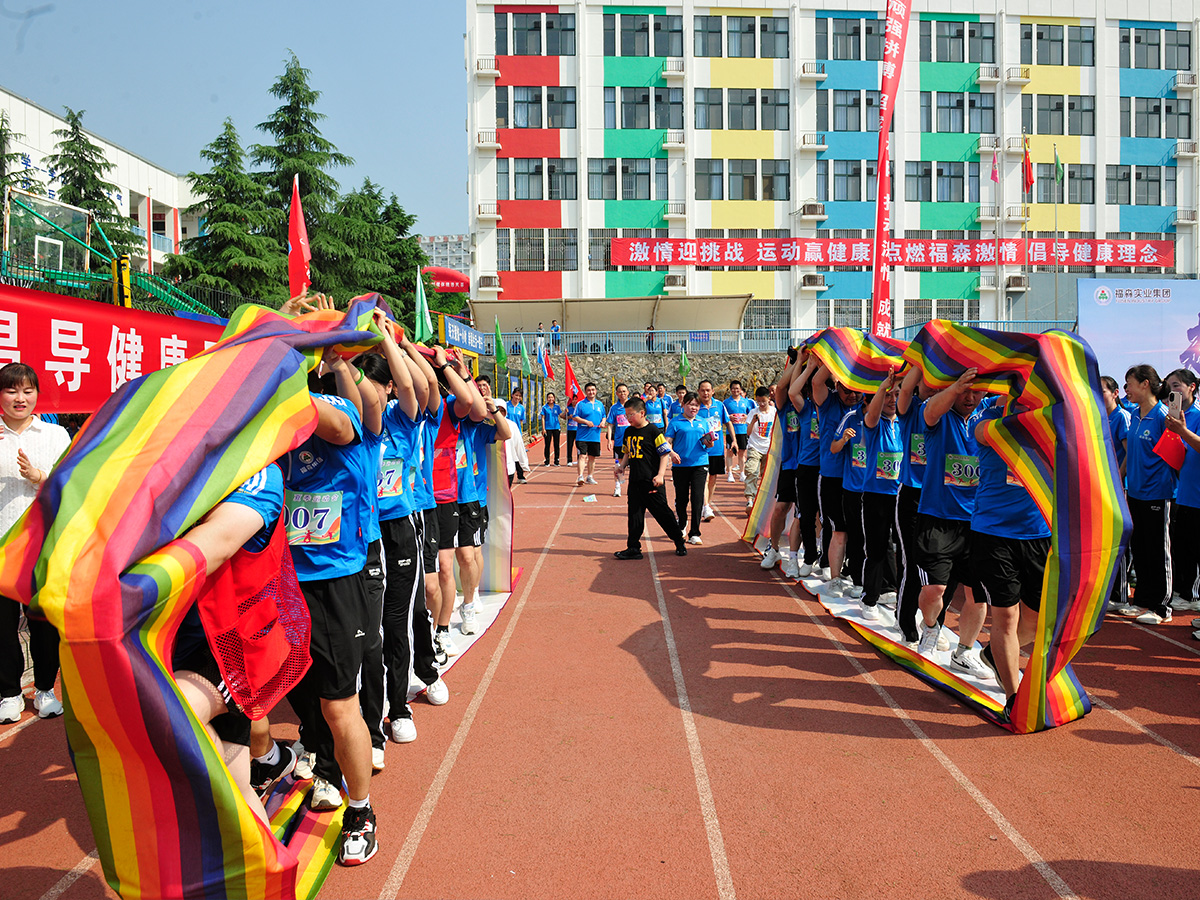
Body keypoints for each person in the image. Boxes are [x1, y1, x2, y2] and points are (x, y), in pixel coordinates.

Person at [282, 345, 380, 865]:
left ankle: (361, 813)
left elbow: (336, 425)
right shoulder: (270, 439)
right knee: (290, 694)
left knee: (338, 703)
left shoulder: (336, 412)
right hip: (281, 583)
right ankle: (319, 762)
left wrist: (303, 365)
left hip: (336, 583)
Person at [173, 464, 288, 827]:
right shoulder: (169, 467)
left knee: (172, 711)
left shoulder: (256, 473)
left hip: (232, 649)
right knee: (239, 789)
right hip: (179, 645)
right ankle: (268, 873)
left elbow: (216, 544)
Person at [361, 321, 449, 749]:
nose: (371, 394)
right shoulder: (350, 425)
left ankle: (398, 707)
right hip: (361, 532)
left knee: (397, 624)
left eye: (379, 385)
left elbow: (417, 387)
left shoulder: (402, 419)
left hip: (400, 527)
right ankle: (368, 709)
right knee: (368, 630)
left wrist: (387, 340)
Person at [970, 399, 1053, 721]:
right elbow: (982, 432)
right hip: (993, 532)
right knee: (1006, 616)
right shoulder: (988, 413)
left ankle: (993, 654)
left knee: (1035, 619)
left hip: (1037, 533)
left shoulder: (1046, 414)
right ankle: (1013, 697)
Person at [0, 363, 71, 724]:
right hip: (1, 546)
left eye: (27, 391)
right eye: (12, 391)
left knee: (42, 623)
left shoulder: (55, 434)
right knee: (1, 625)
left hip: (41, 545)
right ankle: (9, 694)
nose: (20, 398)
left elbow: (71, 484)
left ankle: (44, 689)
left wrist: (38, 476)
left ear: (37, 396)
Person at [913, 368, 992, 679]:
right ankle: (930, 627)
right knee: (936, 589)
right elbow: (930, 411)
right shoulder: (938, 415)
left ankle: (964, 652)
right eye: (965, 391)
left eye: (978, 391)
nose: (971, 397)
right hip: (938, 517)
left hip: (978, 523)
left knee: (978, 594)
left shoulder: (988, 422)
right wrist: (956, 386)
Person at [428, 348, 489, 654]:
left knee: (455, 562)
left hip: (455, 496)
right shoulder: (409, 411)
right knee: (433, 573)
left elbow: (475, 408)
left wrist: (460, 371)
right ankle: (432, 621)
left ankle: (464, 606)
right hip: (419, 500)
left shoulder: (454, 408)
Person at [1118, 364, 1175, 625]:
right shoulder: (1136, 415)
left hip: (1158, 493)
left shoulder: (1164, 416)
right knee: (1140, 547)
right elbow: (1132, 452)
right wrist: (1120, 475)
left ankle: (1161, 607)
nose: (1126, 389)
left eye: (1130, 383)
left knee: (1157, 549)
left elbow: (1176, 454)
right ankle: (1142, 599)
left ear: (1145, 384)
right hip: (1137, 492)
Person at [811, 363, 864, 593]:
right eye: (846, 390)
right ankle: (834, 576)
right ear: (837, 388)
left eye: (857, 391)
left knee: (856, 531)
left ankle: (855, 573)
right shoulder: (828, 400)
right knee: (837, 529)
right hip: (832, 476)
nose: (852, 396)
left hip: (858, 480)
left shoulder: (867, 407)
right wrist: (832, 357)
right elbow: (816, 382)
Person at [614, 397, 688, 560]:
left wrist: (661, 474)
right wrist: (622, 466)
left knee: (663, 514)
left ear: (642, 413)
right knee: (634, 515)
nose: (628, 418)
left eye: (630, 415)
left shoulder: (654, 431)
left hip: (652, 481)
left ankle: (678, 540)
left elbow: (664, 454)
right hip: (635, 481)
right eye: (626, 415)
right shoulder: (628, 431)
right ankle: (633, 547)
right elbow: (627, 452)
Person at [857, 370, 904, 619]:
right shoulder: (874, 423)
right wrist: (884, 386)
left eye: (896, 394)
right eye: (887, 396)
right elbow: (873, 413)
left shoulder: (906, 422)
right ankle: (869, 599)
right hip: (876, 494)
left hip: (902, 496)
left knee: (902, 550)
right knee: (875, 549)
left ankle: (897, 593)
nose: (892, 399)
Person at [1165, 369, 1200, 612]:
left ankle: (1192, 595)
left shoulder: (1197, 416)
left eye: (1177, 385)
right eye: (1169, 387)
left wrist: (1182, 431)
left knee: (1196, 549)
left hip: (1198, 495)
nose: (1172, 391)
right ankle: (1185, 592)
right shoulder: (1175, 416)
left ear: (1192, 387)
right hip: (1184, 492)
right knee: (1183, 546)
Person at [666, 391, 709, 544]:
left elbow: (707, 442)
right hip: (681, 465)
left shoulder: (703, 422)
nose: (693, 408)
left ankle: (695, 532)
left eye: (696, 405)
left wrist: (709, 442)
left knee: (697, 499)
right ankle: (682, 524)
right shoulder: (675, 422)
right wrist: (671, 453)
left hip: (700, 464)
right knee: (682, 498)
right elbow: (667, 441)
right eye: (690, 404)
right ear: (683, 404)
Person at [696, 380, 736, 521]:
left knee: (713, 478)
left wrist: (734, 440)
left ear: (713, 391)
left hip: (717, 450)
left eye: (708, 390)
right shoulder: (695, 406)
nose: (705, 393)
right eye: (703, 390)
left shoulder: (719, 405)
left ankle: (706, 504)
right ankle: (706, 506)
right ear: (698, 391)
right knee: (704, 479)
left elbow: (728, 423)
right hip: (701, 450)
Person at [743, 386, 775, 512]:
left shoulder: (774, 412)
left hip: (769, 448)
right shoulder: (753, 412)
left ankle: (764, 502)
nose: (761, 404)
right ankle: (750, 500)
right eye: (759, 401)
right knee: (752, 471)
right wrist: (753, 422)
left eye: (764, 401)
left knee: (767, 476)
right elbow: (749, 433)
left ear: (769, 399)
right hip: (754, 447)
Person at [572, 383, 606, 487]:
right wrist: (586, 422)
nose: (591, 392)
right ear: (585, 392)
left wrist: (603, 422)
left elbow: (604, 416)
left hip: (595, 436)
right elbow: (575, 417)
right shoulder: (581, 404)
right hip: (582, 436)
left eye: (593, 390)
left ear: (596, 391)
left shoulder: (600, 404)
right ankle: (580, 476)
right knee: (582, 456)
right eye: (589, 390)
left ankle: (590, 476)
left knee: (592, 457)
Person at [723, 380, 754, 483]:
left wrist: (746, 417)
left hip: (743, 431)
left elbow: (751, 414)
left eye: (737, 388)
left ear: (740, 390)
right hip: (730, 432)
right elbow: (723, 416)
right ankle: (730, 473)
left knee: (742, 452)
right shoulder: (726, 402)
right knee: (730, 452)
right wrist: (729, 417)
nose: (735, 390)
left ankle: (742, 473)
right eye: (733, 388)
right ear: (730, 390)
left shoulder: (746, 402)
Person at [605, 383, 631, 497]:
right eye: (620, 391)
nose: (622, 393)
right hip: (620, 441)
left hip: (634, 441)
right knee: (619, 465)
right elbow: (610, 424)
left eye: (624, 391)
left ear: (628, 392)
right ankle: (618, 487)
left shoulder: (633, 405)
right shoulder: (614, 408)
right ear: (616, 394)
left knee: (636, 466)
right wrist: (609, 440)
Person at [508, 387, 529, 483]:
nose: (517, 397)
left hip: (517, 434)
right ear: (512, 395)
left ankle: (520, 476)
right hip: (507, 433)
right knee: (509, 455)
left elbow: (520, 421)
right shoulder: (506, 405)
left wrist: (520, 434)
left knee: (518, 454)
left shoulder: (521, 408)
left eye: (520, 396)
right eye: (516, 395)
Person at [541, 392, 563, 465]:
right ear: (547, 399)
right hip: (548, 428)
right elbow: (543, 418)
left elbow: (561, 415)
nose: (550, 399)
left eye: (552, 397)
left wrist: (566, 414)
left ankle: (556, 460)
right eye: (549, 397)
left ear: (554, 398)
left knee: (556, 444)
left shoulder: (557, 407)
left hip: (556, 428)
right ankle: (547, 460)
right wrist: (543, 428)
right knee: (547, 444)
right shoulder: (544, 407)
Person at [565, 394, 578, 465]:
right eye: (573, 399)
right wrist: (567, 414)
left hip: (578, 429)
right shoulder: (568, 408)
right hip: (570, 429)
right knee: (569, 445)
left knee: (579, 445)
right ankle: (569, 460)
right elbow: (565, 417)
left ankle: (579, 459)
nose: (574, 401)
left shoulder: (579, 407)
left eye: (575, 399)